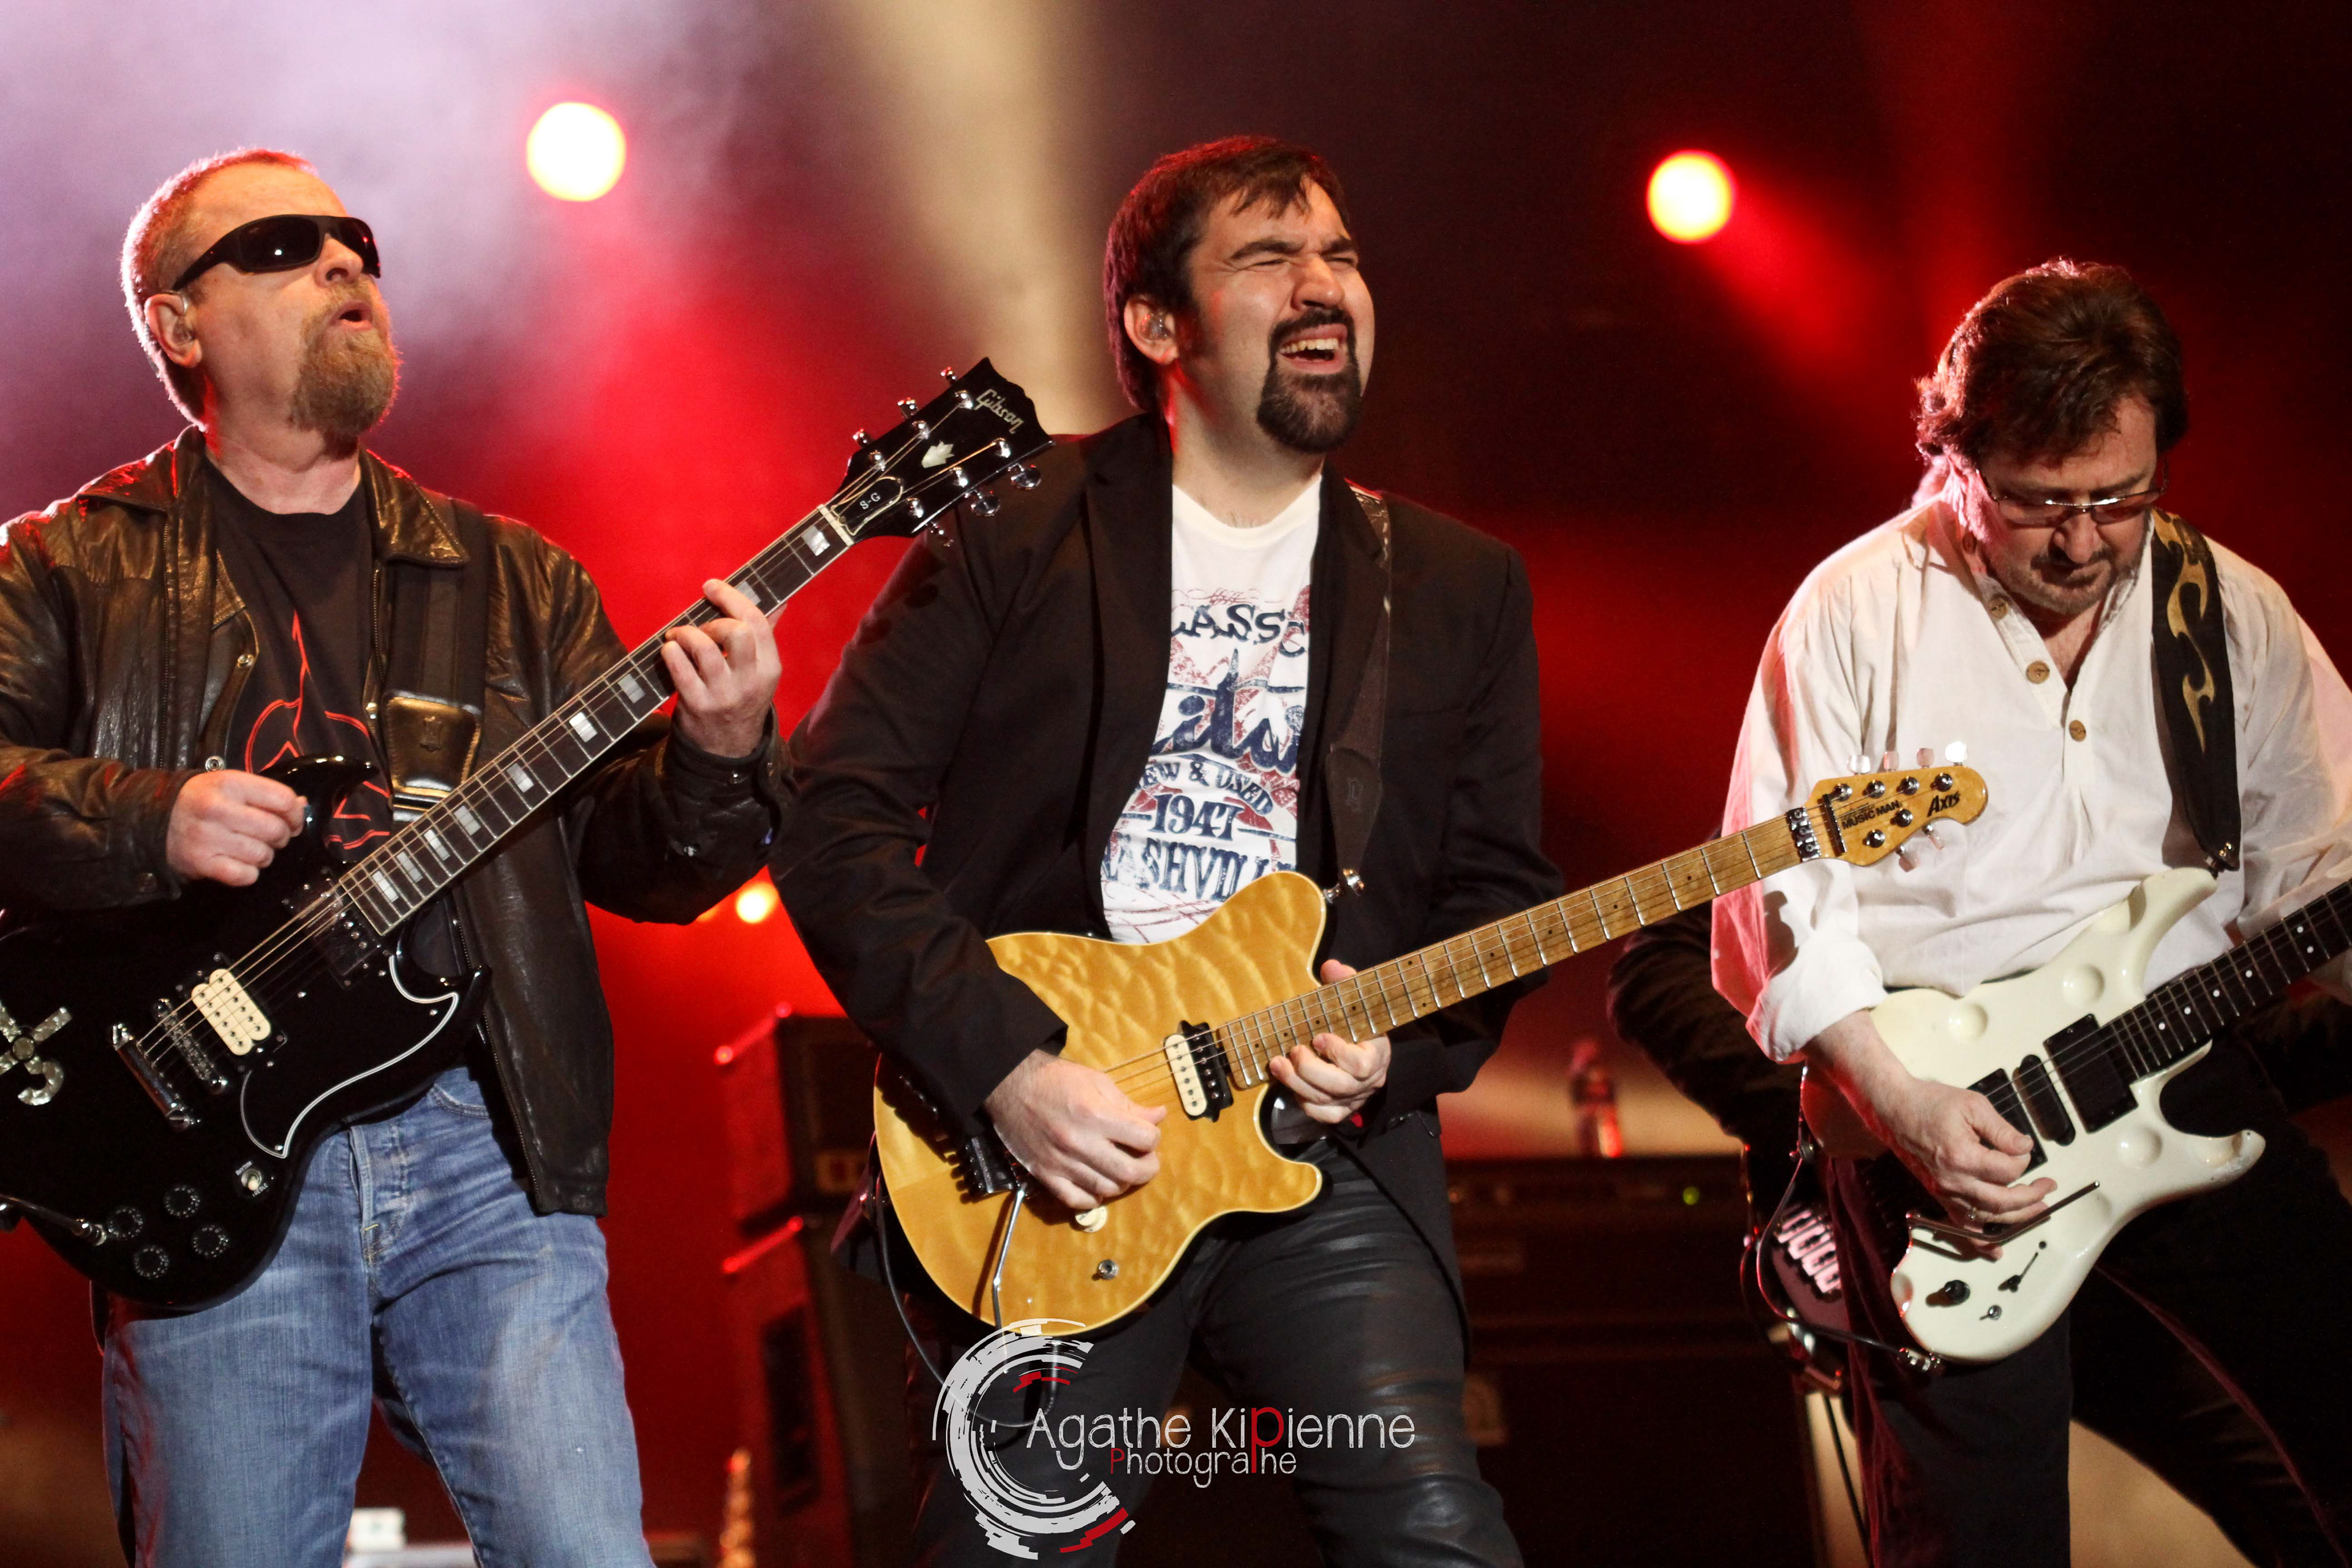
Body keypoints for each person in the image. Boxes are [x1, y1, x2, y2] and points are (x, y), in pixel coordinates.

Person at [775, 135, 1559, 1564]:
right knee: (1012, 1544)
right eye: (1268, 258)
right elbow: (831, 815)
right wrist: (1008, 1068)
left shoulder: (1452, 582)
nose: (1323, 283)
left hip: (1312, 1156)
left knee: (1435, 1531)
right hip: (1051, 1151)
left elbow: (1496, 892)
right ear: (1154, 323)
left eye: (1342, 253)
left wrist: (1396, 1048)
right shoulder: (1018, 529)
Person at [0, 148, 786, 1567]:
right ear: (179, 324)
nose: (343, 262)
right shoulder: (67, 567)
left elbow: (650, 860)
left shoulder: (516, 580)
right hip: (200, 1139)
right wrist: (144, 810)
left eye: (354, 239)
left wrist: (726, 749)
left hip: (481, 1138)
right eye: (284, 246)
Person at [1711, 258, 2352, 1566]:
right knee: (1977, 1535)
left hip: (2185, 1070)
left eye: (2120, 498)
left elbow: (2322, 863)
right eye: (2038, 503)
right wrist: (1901, 1101)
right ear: (1955, 460)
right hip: (1938, 1116)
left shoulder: (2224, 608)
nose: (2082, 541)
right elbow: (1771, 900)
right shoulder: (1856, 609)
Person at [1611, 902, 2352, 1564]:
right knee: (1972, 1536)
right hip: (1941, 1231)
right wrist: (1867, 1132)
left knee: (2299, 1498)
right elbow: (1657, 965)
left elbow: (2240, 1037)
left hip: (2132, 1201)